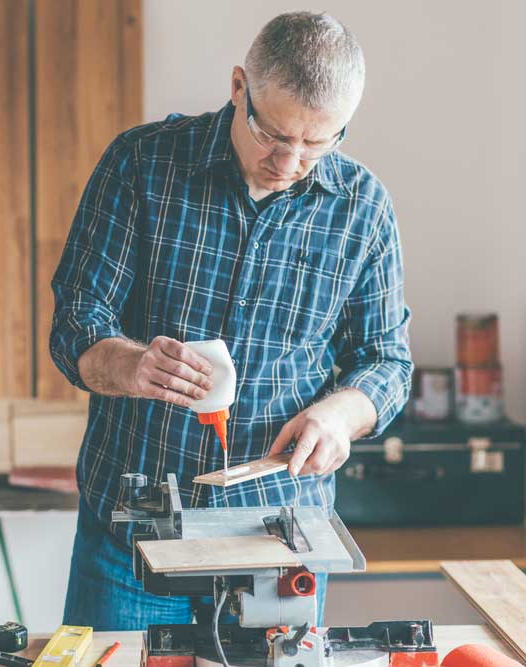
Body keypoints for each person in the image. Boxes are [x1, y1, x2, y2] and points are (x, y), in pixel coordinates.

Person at [50, 11, 412, 629]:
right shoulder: (142, 165)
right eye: (273, 133)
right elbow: (76, 324)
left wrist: (340, 415)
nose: (290, 160)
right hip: (134, 537)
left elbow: (388, 363)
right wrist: (134, 365)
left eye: (318, 142)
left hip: (282, 542)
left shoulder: (364, 208)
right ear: (240, 86)